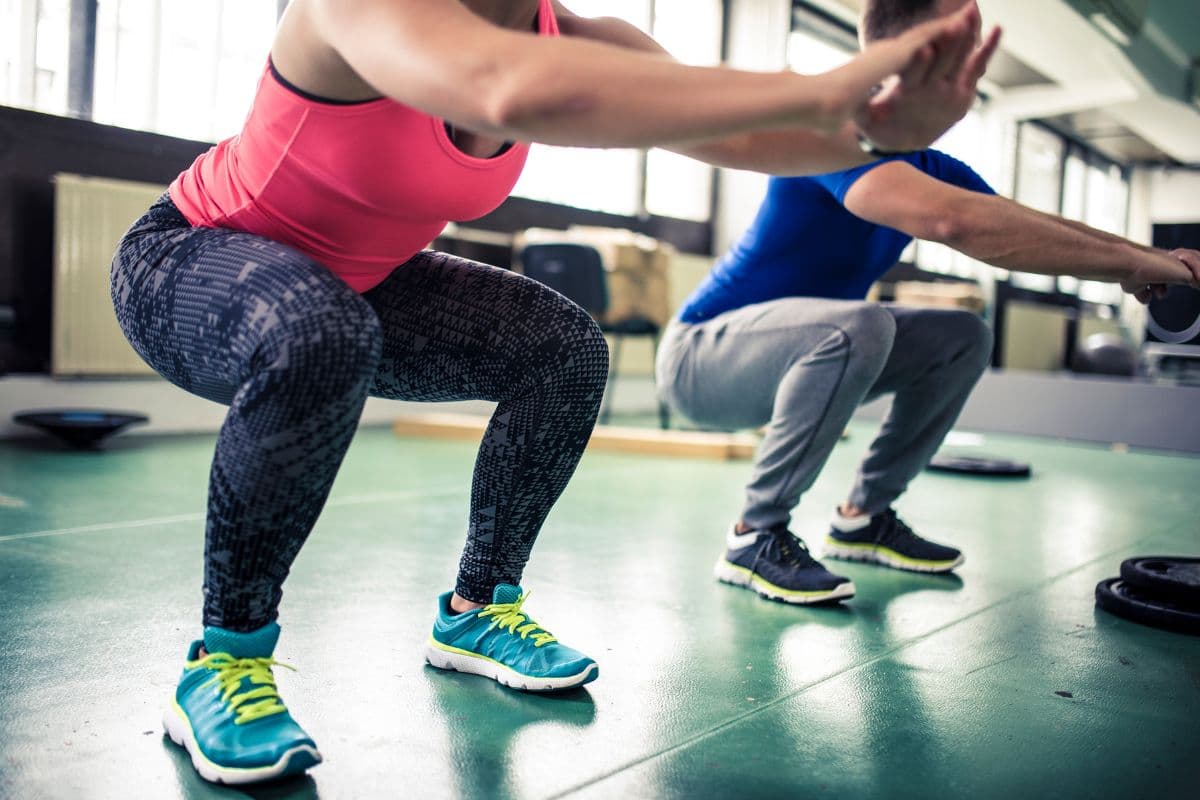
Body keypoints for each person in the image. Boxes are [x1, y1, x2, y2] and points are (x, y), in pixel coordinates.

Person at [111, 0, 998, 785]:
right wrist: (842, 82)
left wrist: (882, 129)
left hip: (357, 283)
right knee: (321, 333)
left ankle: (478, 610)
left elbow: (738, 136)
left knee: (565, 349)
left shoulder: (573, 35)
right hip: (188, 260)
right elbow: (502, 85)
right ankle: (222, 662)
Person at [656, 0, 1200, 609]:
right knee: (859, 325)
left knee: (961, 335)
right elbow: (951, 220)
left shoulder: (929, 166)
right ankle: (752, 536)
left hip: (794, 351)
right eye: (959, 68)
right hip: (700, 358)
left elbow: (1018, 225)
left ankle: (862, 518)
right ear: (916, 65)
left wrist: (1146, 259)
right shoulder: (826, 136)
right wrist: (1143, 265)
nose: (967, 90)